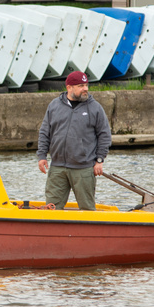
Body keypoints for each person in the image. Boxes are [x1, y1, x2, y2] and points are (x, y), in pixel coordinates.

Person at [36, 70, 111, 210]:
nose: (85, 89)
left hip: (84, 169)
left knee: (87, 209)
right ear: (69, 87)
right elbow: (45, 132)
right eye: (81, 86)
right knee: (52, 209)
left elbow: (104, 135)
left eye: (86, 85)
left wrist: (100, 160)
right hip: (57, 167)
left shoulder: (95, 108)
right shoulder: (54, 105)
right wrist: (41, 156)